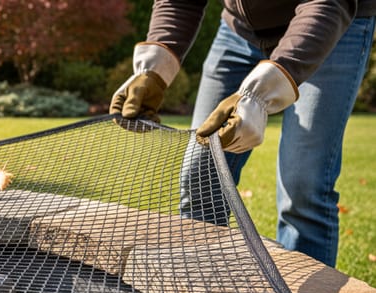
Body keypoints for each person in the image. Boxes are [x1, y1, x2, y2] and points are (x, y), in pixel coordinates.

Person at [110, 1, 376, 267]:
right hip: (240, 32)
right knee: (200, 173)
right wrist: (153, 69)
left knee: (304, 186)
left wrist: (258, 94)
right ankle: (203, 289)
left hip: (330, 27)